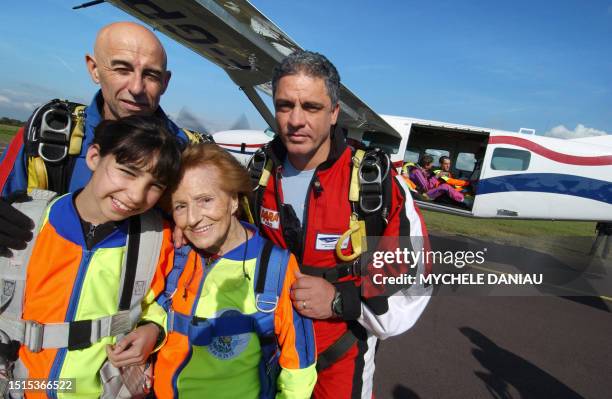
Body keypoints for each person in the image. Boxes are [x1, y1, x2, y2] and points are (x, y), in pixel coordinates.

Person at [245, 50, 430, 398]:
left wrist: (339, 300)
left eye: (311, 107)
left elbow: (412, 283)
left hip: (341, 357)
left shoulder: (376, 182)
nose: (296, 119)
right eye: (285, 105)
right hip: (267, 351)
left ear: (333, 113)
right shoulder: (258, 174)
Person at [2, 116, 180, 397]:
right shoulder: (22, 221)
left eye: (155, 185)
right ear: (94, 156)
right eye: (127, 172)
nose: (135, 195)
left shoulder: (157, 241)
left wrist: (153, 330)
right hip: (17, 385)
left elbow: (159, 301)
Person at [0, 21, 208, 257]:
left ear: (165, 82)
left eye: (151, 74)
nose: (137, 87)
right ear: (94, 69)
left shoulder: (190, 153)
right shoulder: (51, 134)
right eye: (122, 69)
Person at [148, 143, 316, 398]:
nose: (193, 218)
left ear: (234, 200)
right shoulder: (176, 251)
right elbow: (149, 305)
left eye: (205, 200)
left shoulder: (276, 266)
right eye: (180, 206)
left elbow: (299, 367)